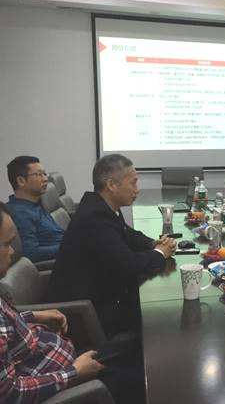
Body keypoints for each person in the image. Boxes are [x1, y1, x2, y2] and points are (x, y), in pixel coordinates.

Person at [50, 154, 176, 338]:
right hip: (87, 314)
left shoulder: (102, 206)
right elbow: (129, 264)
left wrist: (152, 243)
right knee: (163, 317)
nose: (137, 190)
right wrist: (160, 253)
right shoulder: (95, 218)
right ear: (111, 185)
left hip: (103, 295)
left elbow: (127, 234)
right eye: (133, 183)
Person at [0, 201, 106, 403]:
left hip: (59, 359)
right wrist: (74, 373)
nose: (12, 251)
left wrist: (32, 316)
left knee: (125, 352)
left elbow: (6, 330)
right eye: (6, 244)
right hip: (66, 389)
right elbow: (11, 394)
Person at [6, 156, 64, 262]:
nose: (45, 179)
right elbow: (31, 253)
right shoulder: (20, 213)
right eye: (38, 174)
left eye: (45, 174)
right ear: (21, 181)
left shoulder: (36, 203)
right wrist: (69, 246)